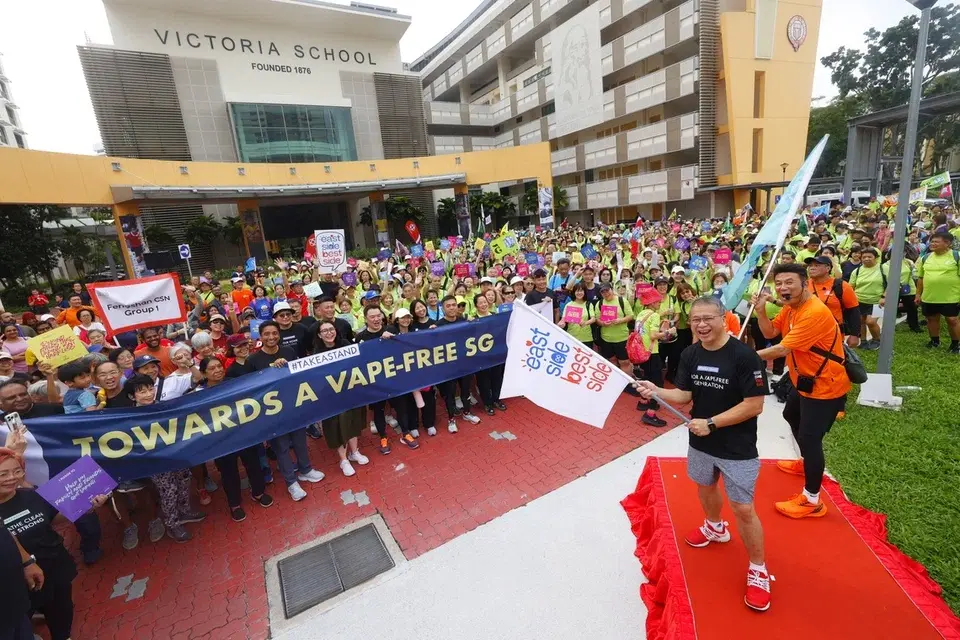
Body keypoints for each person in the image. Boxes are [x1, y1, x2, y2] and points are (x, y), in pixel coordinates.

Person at [635, 295, 770, 612]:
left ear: (723, 318)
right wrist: (654, 389)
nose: (702, 325)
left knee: (743, 508)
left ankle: (759, 569)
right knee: (705, 486)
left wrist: (712, 423)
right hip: (701, 441)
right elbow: (683, 395)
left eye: (708, 318)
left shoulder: (744, 357)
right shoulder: (690, 354)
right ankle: (714, 526)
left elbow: (755, 405)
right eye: (696, 320)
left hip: (737, 446)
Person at [752, 263, 851, 519]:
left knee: (810, 438)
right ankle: (806, 462)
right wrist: (761, 311)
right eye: (780, 283)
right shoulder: (791, 308)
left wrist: (738, 358)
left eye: (789, 282)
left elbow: (781, 350)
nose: (783, 288)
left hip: (825, 386)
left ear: (804, 283)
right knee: (790, 415)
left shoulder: (813, 312)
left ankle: (812, 500)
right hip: (803, 380)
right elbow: (770, 333)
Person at [0, 447, 108, 640]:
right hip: (16, 583)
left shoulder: (30, 494)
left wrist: (87, 507)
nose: (11, 478)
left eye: (17, 471)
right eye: (3, 474)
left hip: (54, 567)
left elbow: (53, 518)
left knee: (61, 613)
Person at [122, 374, 205, 542]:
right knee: (169, 491)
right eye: (141, 391)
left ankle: (184, 511)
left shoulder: (164, 407)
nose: (148, 394)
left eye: (150, 389)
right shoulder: (128, 417)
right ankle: (172, 524)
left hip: (177, 455)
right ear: (132, 396)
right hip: (156, 462)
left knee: (184, 481)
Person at [247, 321, 324, 501]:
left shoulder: (288, 352)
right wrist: (271, 371)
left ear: (279, 334)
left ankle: (305, 470)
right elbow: (252, 387)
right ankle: (291, 482)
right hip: (272, 412)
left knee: (300, 441)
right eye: (267, 334)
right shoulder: (253, 360)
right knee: (281, 447)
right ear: (260, 336)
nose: (271, 337)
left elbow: (298, 375)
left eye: (274, 333)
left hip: (293, 405)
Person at [196, 357, 274, 521]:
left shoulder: (236, 383)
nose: (217, 370)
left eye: (219, 366)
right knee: (228, 472)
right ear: (203, 373)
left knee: (253, 464)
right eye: (212, 368)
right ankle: (235, 504)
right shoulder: (198, 395)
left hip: (244, 433)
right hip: (220, 441)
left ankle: (258, 493)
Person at [355, 306, 420, 452]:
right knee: (379, 410)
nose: (376, 319)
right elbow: (360, 361)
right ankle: (383, 437)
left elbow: (404, 349)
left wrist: (392, 339)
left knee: (401, 406)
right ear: (365, 319)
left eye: (379, 316)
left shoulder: (392, 329)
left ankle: (405, 433)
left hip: (395, 378)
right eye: (372, 317)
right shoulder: (361, 337)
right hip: (376, 382)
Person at [313, 321, 371, 476]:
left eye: (331, 329)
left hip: (350, 391)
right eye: (324, 331)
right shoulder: (316, 354)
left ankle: (354, 452)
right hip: (331, 396)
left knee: (353, 421)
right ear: (319, 335)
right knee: (336, 426)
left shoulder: (345, 344)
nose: (329, 333)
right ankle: (343, 459)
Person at [434, 296, 482, 434]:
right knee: (450, 394)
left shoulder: (464, 321)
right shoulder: (438, 325)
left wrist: (473, 323)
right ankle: (451, 419)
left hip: (464, 363)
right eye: (448, 306)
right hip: (448, 366)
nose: (451, 308)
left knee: (465, 390)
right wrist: (431, 332)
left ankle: (467, 412)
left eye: (454, 305)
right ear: (443, 308)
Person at [916, 231, 960, 354]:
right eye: (932, 241)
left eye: (936, 241)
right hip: (929, 297)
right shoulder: (925, 257)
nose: (932, 244)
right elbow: (921, 278)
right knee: (931, 319)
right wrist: (918, 294)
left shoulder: (956, 256)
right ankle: (935, 341)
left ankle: (956, 344)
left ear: (948, 243)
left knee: (952, 320)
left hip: (951, 297)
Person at [804, 256, 861, 346]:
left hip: (833, 335)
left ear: (828, 268)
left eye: (816, 265)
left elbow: (854, 311)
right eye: (810, 265)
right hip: (807, 334)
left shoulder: (841, 285)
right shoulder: (803, 285)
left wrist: (855, 335)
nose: (812, 268)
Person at [596, 283, 635, 381]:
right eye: (603, 292)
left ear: (611, 289)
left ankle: (627, 383)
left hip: (622, 338)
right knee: (611, 360)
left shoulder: (622, 300)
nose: (606, 293)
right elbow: (597, 319)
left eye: (607, 290)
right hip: (606, 338)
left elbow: (630, 315)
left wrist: (620, 320)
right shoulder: (599, 303)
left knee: (624, 362)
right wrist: (603, 323)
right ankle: (616, 382)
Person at [848, 247, 883, 349]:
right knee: (860, 322)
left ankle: (877, 340)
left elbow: (890, 284)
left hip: (877, 302)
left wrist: (884, 297)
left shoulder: (883, 269)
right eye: (864, 257)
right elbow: (851, 286)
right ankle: (863, 341)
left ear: (875, 258)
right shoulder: (857, 271)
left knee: (870, 322)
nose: (867, 259)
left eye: (870, 256)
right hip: (859, 300)